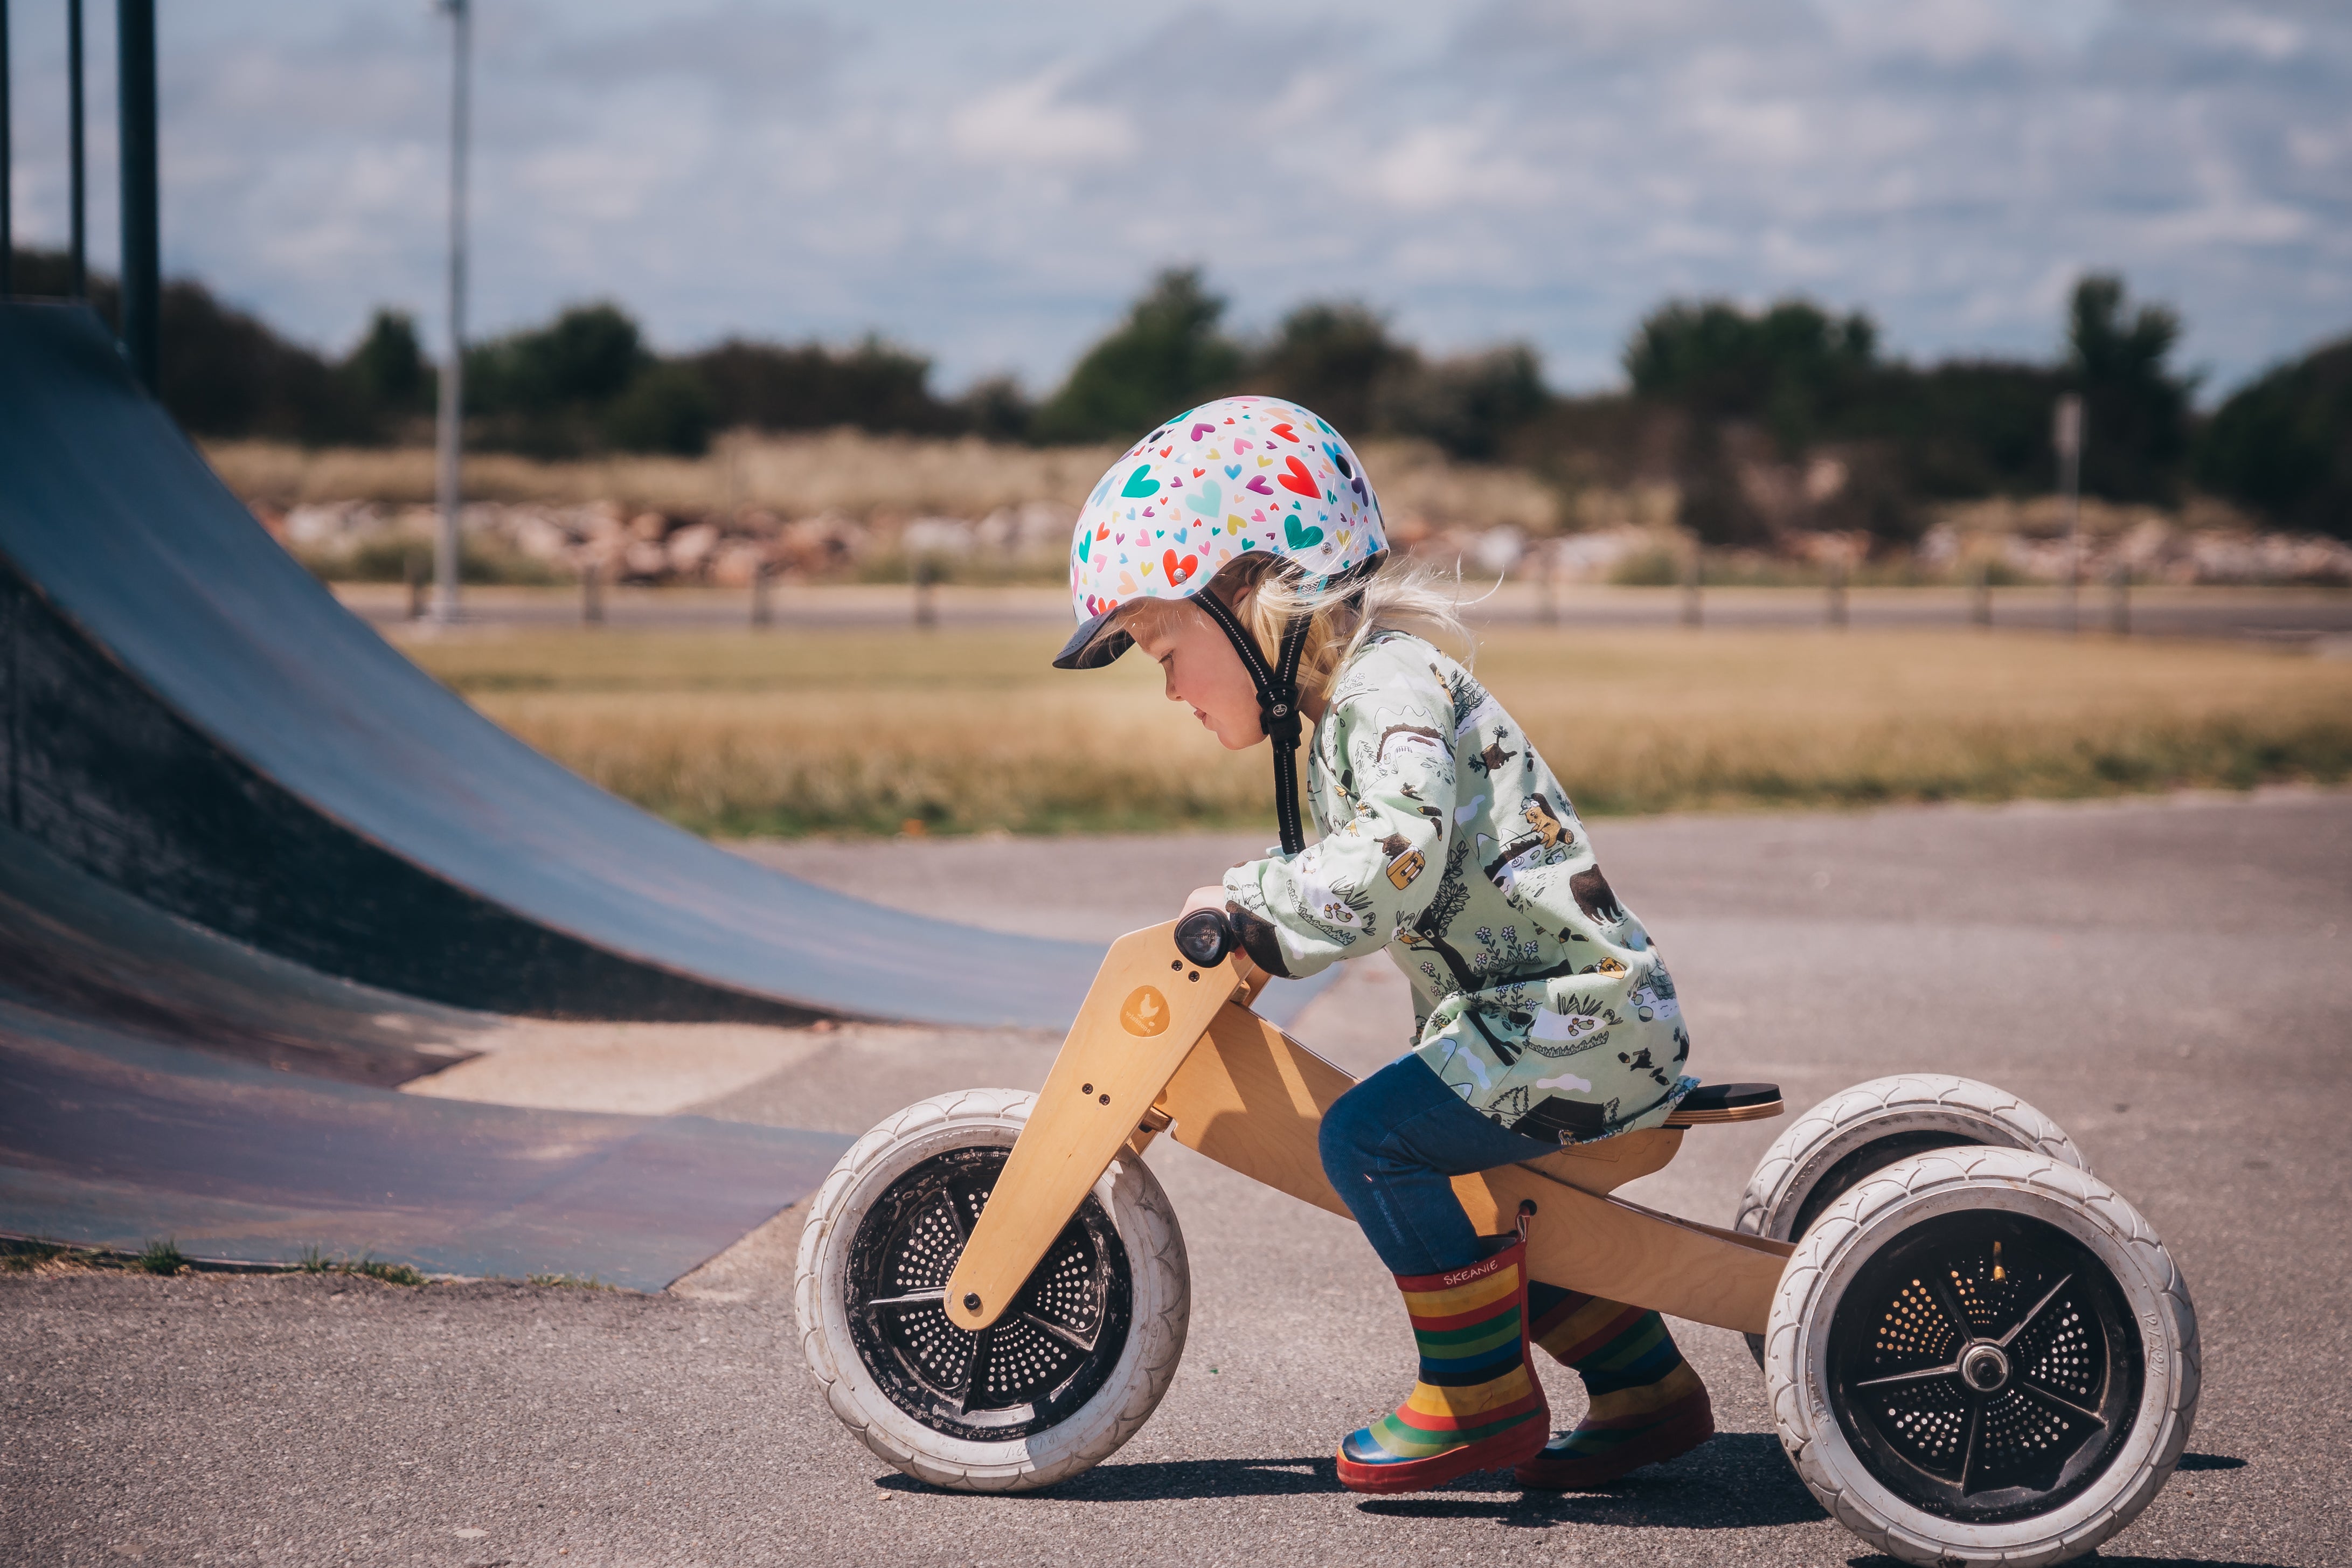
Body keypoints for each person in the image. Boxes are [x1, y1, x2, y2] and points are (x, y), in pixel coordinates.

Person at [1054, 394, 1713, 1496]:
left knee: (1367, 1139)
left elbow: (1394, 857)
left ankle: (1475, 1399)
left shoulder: (1386, 689)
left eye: (1160, 645)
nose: (1165, 684)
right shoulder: (1347, 711)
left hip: (1574, 1024)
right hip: (1552, 1024)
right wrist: (1263, 909)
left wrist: (1253, 901)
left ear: (1249, 596)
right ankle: (1641, 1384)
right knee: (1484, 1195)